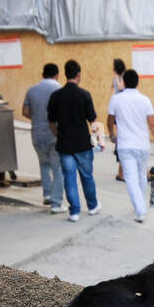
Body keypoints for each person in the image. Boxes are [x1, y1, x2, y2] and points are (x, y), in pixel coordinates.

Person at [107, 69, 154, 223]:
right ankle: (139, 204)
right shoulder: (145, 100)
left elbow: (109, 120)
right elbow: (152, 123)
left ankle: (140, 209)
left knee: (131, 177)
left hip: (125, 144)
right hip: (143, 145)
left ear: (123, 82)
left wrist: (112, 135)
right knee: (140, 176)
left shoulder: (116, 99)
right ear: (137, 82)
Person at [47, 59, 100, 222]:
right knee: (87, 176)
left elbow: (51, 121)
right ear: (78, 75)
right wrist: (96, 139)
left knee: (69, 178)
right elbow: (93, 121)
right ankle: (92, 206)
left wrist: (58, 134)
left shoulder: (56, 96)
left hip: (65, 144)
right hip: (83, 143)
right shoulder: (84, 94)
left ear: (65, 74)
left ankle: (74, 211)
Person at [22, 62, 66, 213]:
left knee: (44, 164)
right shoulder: (59, 89)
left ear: (43, 74)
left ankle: (47, 193)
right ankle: (56, 202)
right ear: (57, 74)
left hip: (37, 134)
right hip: (54, 134)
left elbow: (25, 112)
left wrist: (37, 117)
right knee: (58, 168)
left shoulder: (32, 90)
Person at [111, 58, 127, 181]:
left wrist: (116, 77)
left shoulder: (121, 76)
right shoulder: (115, 76)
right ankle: (117, 143)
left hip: (121, 105)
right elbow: (114, 89)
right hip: (116, 104)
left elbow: (121, 87)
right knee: (116, 128)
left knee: (120, 130)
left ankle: (118, 144)